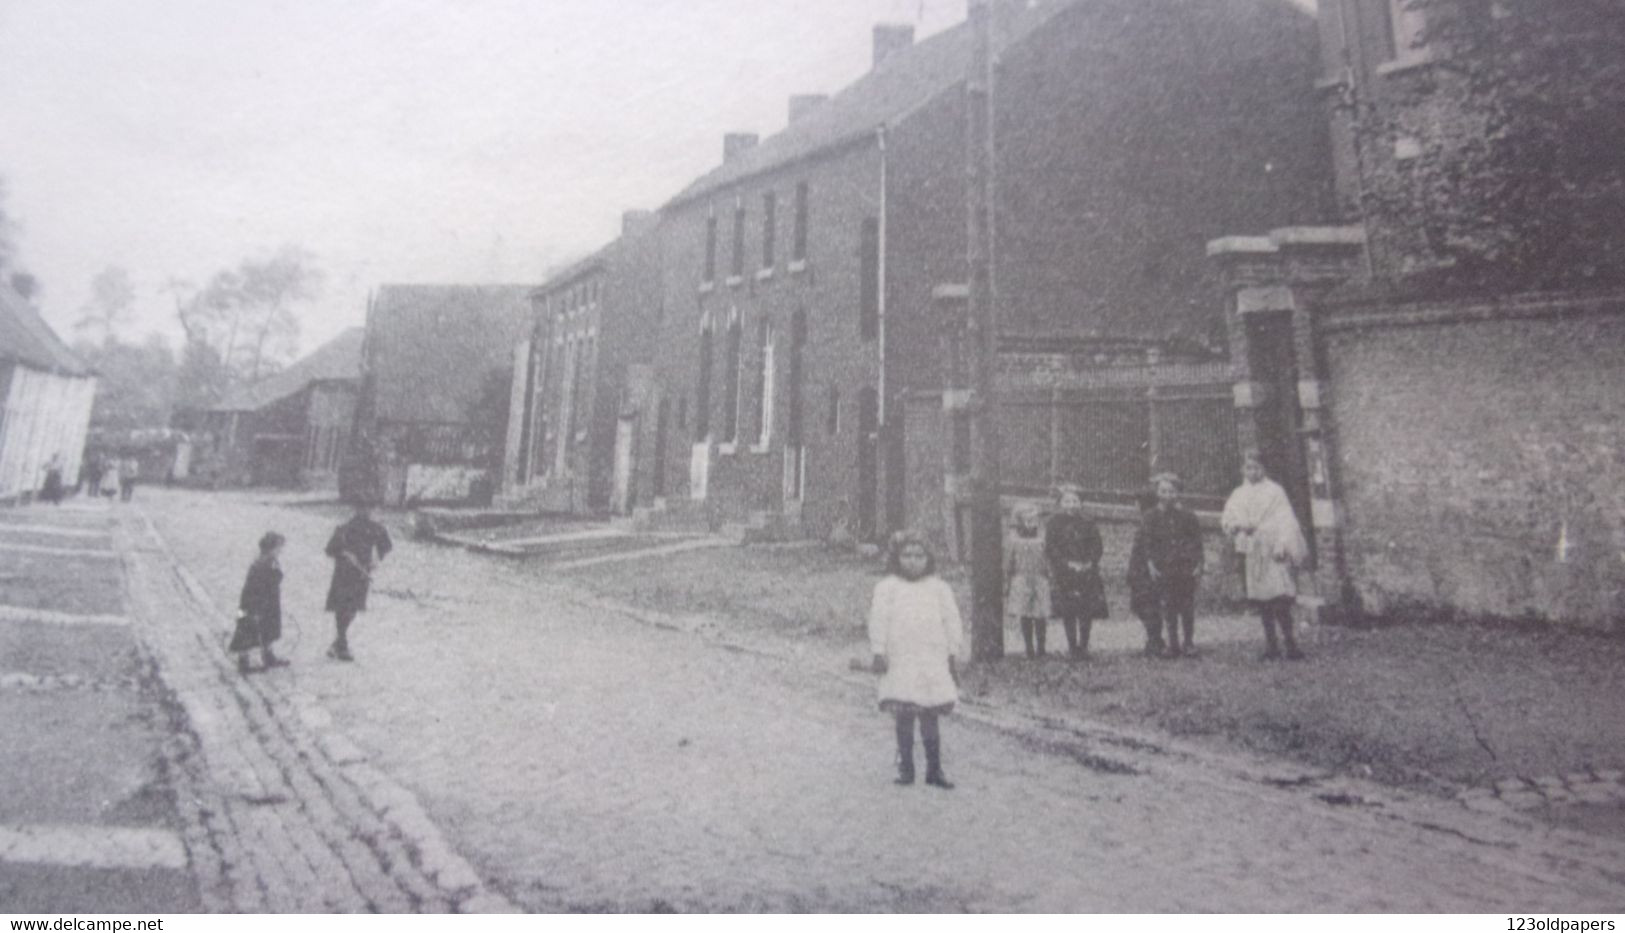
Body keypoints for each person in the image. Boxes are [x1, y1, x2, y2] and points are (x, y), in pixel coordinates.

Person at [869, 531, 961, 790]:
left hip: (931, 658)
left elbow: (951, 620)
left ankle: (934, 769)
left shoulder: (939, 588)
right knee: (904, 714)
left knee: (930, 714)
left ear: (928, 558)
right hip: (901, 658)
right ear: (896, 558)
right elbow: (879, 620)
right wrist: (879, 650)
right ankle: (906, 767)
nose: (913, 561)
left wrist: (953, 651)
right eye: (906, 555)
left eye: (919, 556)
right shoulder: (887, 587)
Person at [1222, 450, 1310, 660]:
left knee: (1280, 597)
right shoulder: (1239, 493)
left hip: (1272, 549)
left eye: (1256, 467)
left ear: (1264, 469)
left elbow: (1286, 520)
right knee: (1262, 601)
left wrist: (1282, 544)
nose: (1252, 472)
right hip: (1253, 550)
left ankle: (1290, 643)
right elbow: (1228, 516)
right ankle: (1271, 645)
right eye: (1248, 468)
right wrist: (1235, 526)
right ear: (1243, 469)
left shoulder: (1275, 492)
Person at [1144, 472, 1205, 657]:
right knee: (1168, 607)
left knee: (1186, 607)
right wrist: (1151, 564)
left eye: (1171, 491)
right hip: (1164, 567)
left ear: (1178, 493)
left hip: (1185, 566)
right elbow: (1147, 542)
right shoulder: (1150, 516)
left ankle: (1188, 642)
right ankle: (1173, 644)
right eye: (1163, 491)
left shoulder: (1188, 516)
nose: (1167, 495)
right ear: (1157, 493)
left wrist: (1199, 563)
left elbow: (1197, 542)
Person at [324, 502, 393, 661]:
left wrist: (376, 559)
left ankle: (339, 642)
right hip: (344, 573)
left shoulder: (375, 528)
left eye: (369, 508)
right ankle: (342, 644)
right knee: (343, 608)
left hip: (361, 574)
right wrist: (344, 554)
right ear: (356, 509)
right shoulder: (344, 529)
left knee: (353, 608)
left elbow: (386, 546)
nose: (366, 511)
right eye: (362, 508)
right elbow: (330, 549)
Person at [1045, 484, 1107, 659]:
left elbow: (1097, 545)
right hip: (1065, 573)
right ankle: (1072, 646)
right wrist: (1066, 564)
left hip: (1087, 572)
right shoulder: (1054, 523)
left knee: (1086, 610)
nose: (1071, 505)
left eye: (1075, 501)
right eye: (1067, 501)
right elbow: (1051, 548)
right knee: (1069, 610)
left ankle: (1084, 646)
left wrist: (1089, 562)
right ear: (1060, 503)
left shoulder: (1088, 522)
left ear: (1081, 503)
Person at [230, 532, 289, 674]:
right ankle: (243, 663)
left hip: (266, 602)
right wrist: (256, 609)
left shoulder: (269, 560)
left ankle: (268, 655)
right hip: (253, 603)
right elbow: (257, 587)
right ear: (271, 548)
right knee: (246, 629)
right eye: (279, 547)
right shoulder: (263, 564)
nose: (281, 550)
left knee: (269, 626)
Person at [1005, 502, 1052, 659]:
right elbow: (1009, 562)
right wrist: (1008, 580)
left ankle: (1041, 647)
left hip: (1040, 579)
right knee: (1025, 614)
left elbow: (1048, 559)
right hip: (1021, 579)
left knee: (1040, 614)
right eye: (1028, 520)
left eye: (1034, 520)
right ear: (1020, 522)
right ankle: (1029, 648)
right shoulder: (1014, 540)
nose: (1032, 523)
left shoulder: (1043, 538)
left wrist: (1050, 576)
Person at [1125, 491, 1162, 655]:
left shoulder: (1149, 521)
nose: (1134, 505)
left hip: (1144, 573)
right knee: (1145, 606)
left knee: (1147, 606)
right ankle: (1154, 639)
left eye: (1136, 502)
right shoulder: (1146, 520)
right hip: (1139, 571)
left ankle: (1154, 640)